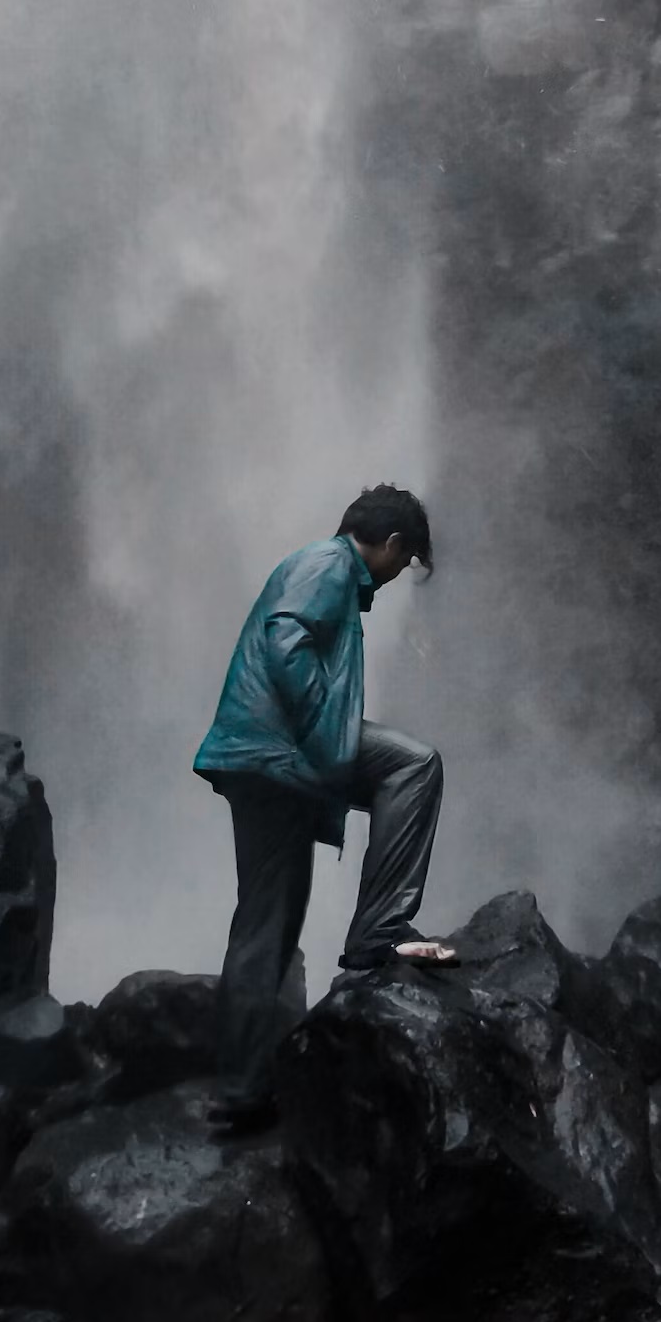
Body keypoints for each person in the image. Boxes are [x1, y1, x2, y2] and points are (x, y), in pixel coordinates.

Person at [192, 483, 455, 1131]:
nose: (398, 576)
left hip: (257, 757)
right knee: (413, 763)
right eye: (406, 561)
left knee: (266, 922)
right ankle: (380, 932)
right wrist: (323, 733)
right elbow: (285, 641)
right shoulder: (328, 565)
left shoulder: (320, 566)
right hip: (277, 753)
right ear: (392, 545)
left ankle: (242, 1087)